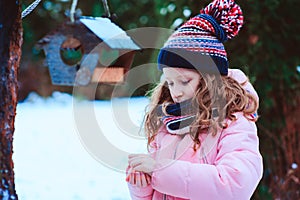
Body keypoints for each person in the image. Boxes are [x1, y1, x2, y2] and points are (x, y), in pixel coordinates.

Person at [126, 0, 263, 199]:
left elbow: (235, 184)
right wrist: (142, 185)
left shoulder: (233, 122)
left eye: (184, 81)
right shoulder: (168, 123)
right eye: (170, 83)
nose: (176, 93)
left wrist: (159, 171)